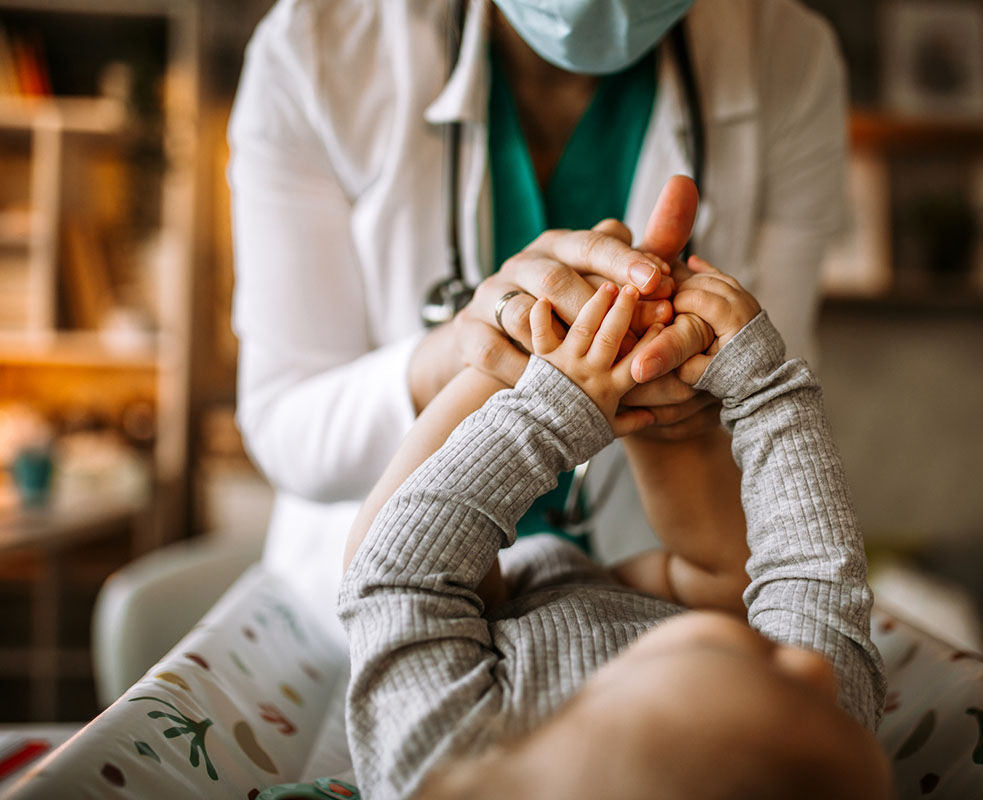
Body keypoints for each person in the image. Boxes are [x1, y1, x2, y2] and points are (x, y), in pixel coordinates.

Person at [229, 0, 850, 636]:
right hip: (640, 602)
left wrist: (511, 363)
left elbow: (393, 576)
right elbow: (760, 598)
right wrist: (660, 389)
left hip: (463, 609)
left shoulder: (789, 53)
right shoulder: (315, 46)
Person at [338, 262, 887, 798]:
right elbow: (812, 584)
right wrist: (764, 389)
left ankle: (509, 366)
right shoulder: (822, 746)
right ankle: (660, 400)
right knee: (731, 593)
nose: (816, 668)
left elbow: (396, 579)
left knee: (387, 563)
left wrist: (548, 403)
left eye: (761, 665)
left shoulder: (445, 765)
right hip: (659, 595)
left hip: (468, 619)